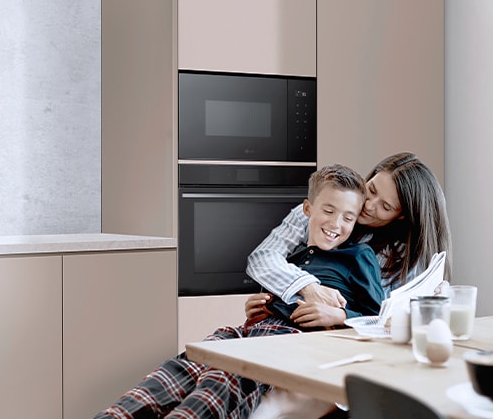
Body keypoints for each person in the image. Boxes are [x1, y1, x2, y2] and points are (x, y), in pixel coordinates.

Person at [93, 164, 386, 419]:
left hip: (287, 338)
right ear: (307, 209)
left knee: (221, 382)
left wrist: (339, 313)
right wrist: (264, 302)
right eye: (329, 210)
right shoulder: (293, 253)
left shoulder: (358, 256)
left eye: (348, 217)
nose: (336, 223)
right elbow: (263, 263)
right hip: (246, 329)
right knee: (176, 371)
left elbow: (378, 320)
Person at [246, 151, 452, 310]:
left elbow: (380, 316)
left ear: (401, 216)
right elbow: (263, 258)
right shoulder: (316, 212)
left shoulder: (400, 257)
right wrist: (282, 298)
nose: (369, 205)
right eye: (371, 189)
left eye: (385, 207)